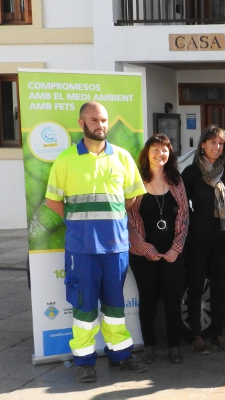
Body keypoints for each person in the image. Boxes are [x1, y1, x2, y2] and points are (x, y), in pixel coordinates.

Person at [44, 102, 148, 383]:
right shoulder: (65, 160)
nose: (100, 124)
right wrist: (78, 223)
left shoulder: (123, 157)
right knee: (85, 306)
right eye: (94, 120)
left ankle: (120, 355)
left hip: (116, 247)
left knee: (115, 306)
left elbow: (132, 197)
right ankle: (84, 360)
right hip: (82, 248)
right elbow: (53, 201)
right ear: (81, 123)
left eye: (103, 119)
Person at [127, 134, 189, 365]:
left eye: (164, 150)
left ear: (169, 153)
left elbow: (184, 217)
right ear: (147, 153)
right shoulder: (137, 180)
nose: (159, 154)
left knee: (172, 299)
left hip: (173, 254)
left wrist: (176, 248)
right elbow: (130, 220)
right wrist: (144, 248)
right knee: (148, 299)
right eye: (155, 149)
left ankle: (174, 345)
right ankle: (150, 345)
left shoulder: (176, 181)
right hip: (144, 255)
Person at [181, 126, 225, 355]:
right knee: (196, 285)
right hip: (198, 238)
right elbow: (183, 207)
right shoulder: (191, 173)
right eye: (212, 142)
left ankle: (218, 334)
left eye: (221, 143)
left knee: (219, 286)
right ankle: (196, 334)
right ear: (202, 144)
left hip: (221, 237)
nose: (217, 147)